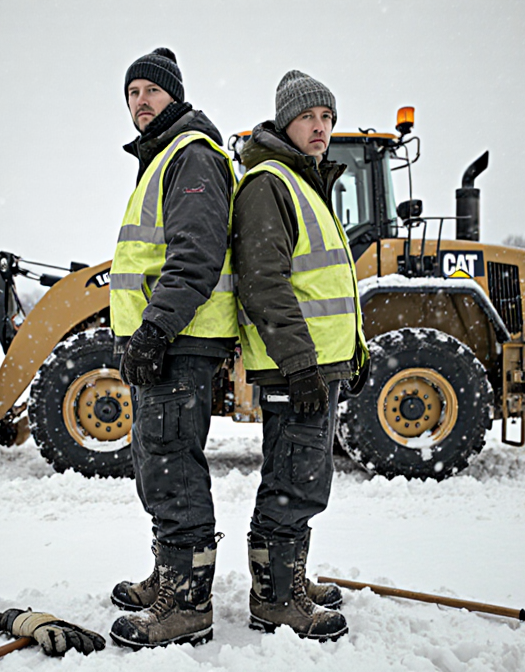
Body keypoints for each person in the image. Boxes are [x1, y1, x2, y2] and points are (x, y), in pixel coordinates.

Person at [106, 47, 237, 650]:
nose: (139, 100)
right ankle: (170, 575)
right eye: (131, 92)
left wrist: (156, 329)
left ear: (173, 96)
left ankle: (187, 604)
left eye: (150, 91)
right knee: (157, 463)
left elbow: (195, 256)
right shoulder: (163, 157)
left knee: (173, 466)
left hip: (179, 340)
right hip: (165, 338)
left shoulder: (189, 157)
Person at [231, 70, 369, 642]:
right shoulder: (271, 183)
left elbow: (329, 288)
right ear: (287, 121)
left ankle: (288, 578)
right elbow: (265, 283)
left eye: (328, 118)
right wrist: (300, 363)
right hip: (298, 366)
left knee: (304, 478)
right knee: (292, 479)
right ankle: (275, 599)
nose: (321, 127)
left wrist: (353, 353)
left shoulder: (305, 182)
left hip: (318, 363)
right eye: (310, 117)